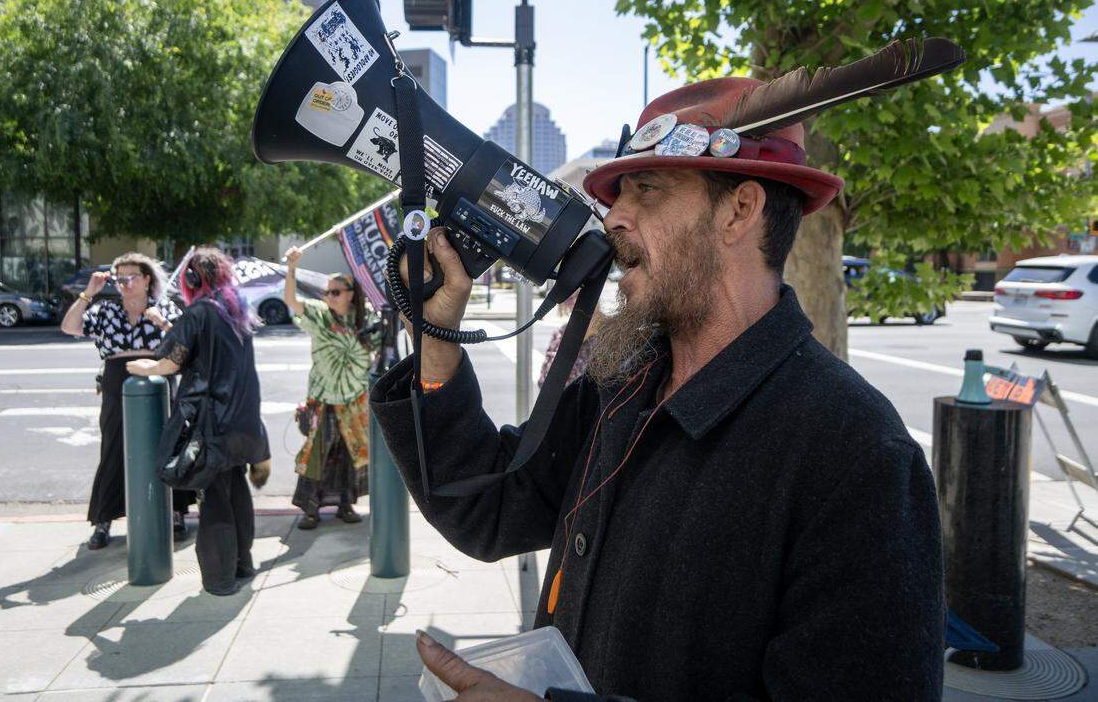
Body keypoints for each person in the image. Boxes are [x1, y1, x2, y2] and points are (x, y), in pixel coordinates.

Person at [370, 78, 945, 700]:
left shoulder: (854, 450)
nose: (615, 216)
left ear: (738, 211)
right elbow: (487, 506)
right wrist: (435, 330)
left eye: (646, 190)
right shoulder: (623, 384)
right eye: (620, 194)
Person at [127, 247, 270, 596]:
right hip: (242, 421)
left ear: (193, 278)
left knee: (215, 499)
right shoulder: (234, 309)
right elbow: (204, 344)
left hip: (212, 424)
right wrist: (170, 325)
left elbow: (171, 361)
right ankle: (242, 564)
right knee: (236, 490)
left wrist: (144, 366)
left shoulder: (201, 311)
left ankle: (220, 580)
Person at [60, 252, 193, 550]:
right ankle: (104, 520)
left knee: (167, 443)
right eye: (120, 279)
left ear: (147, 280)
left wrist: (163, 324)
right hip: (118, 379)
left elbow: (187, 344)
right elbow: (69, 327)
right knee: (114, 447)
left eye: (132, 277)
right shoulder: (106, 310)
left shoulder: (164, 308)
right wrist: (87, 294)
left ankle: (175, 512)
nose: (125, 284)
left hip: (159, 377)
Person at [282, 247, 373, 530]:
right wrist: (292, 269)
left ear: (350, 293)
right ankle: (310, 509)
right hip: (322, 399)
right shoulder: (320, 316)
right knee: (315, 456)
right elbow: (291, 301)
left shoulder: (364, 320)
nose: (328, 296)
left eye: (335, 291)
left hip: (354, 401)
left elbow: (376, 354)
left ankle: (346, 504)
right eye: (326, 291)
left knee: (349, 454)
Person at [537, 295, 604, 389]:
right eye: (569, 298)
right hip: (559, 400)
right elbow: (543, 378)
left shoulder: (609, 332)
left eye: (578, 295)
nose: (574, 301)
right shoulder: (560, 333)